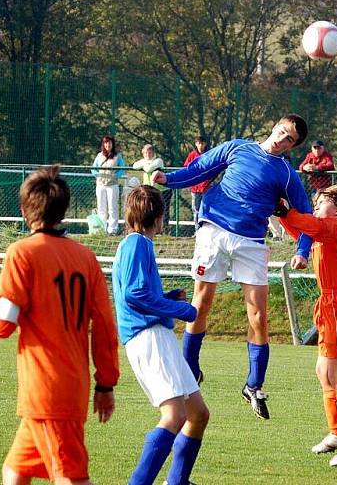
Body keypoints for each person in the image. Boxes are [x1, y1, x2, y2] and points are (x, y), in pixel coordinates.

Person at [0, 165, 120, 485]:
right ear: (64, 209)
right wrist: (105, 383)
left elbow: (5, 320)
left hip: (47, 389)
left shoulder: (22, 253)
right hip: (66, 387)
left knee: (71, 479)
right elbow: (104, 325)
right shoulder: (85, 257)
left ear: (24, 210)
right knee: (15, 472)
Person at [153, 114, 313, 420]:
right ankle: (190, 370)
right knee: (202, 301)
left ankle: (254, 385)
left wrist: (303, 250)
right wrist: (169, 179)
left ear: (293, 146)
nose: (282, 138)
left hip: (251, 241)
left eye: (290, 139)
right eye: (282, 131)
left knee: (259, 316)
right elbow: (201, 168)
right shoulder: (238, 148)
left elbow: (306, 217)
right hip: (214, 228)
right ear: (275, 126)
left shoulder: (287, 174)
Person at [113, 186, 209, 485]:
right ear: (158, 217)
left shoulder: (136, 244)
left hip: (156, 335)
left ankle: (176, 481)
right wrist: (181, 309)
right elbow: (134, 294)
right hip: (148, 338)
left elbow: (139, 295)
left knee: (198, 414)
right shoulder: (137, 244)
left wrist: (167, 298)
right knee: (174, 415)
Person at [275, 185, 337, 467]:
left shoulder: (334, 225)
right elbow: (301, 231)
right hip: (328, 304)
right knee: (322, 371)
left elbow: (308, 223)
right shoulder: (321, 229)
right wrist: (282, 215)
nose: (315, 206)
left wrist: (286, 210)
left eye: (321, 201)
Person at [132, 144, 173, 234]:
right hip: (149, 191)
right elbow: (134, 165)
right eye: (146, 152)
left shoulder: (158, 161)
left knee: (163, 211)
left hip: (162, 190)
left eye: (150, 152)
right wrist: (144, 163)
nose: (148, 154)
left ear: (153, 153)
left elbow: (148, 169)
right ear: (143, 153)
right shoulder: (144, 161)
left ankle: (164, 230)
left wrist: (143, 164)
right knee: (149, 209)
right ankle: (151, 228)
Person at [91, 135, 126, 235]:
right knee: (101, 207)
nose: (108, 145)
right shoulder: (99, 155)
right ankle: (101, 228)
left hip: (112, 185)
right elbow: (93, 168)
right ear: (103, 144)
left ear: (112, 144)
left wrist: (116, 175)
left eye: (109, 143)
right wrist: (97, 175)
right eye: (106, 143)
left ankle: (112, 229)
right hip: (100, 185)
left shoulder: (117, 156)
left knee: (112, 207)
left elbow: (122, 168)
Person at [183, 136, 211, 223]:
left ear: (205, 144)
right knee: (196, 209)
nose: (201, 145)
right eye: (199, 143)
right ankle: (197, 229)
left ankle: (207, 228)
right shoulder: (192, 155)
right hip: (195, 187)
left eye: (202, 143)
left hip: (206, 187)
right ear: (196, 144)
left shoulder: (209, 154)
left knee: (207, 209)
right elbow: (186, 167)